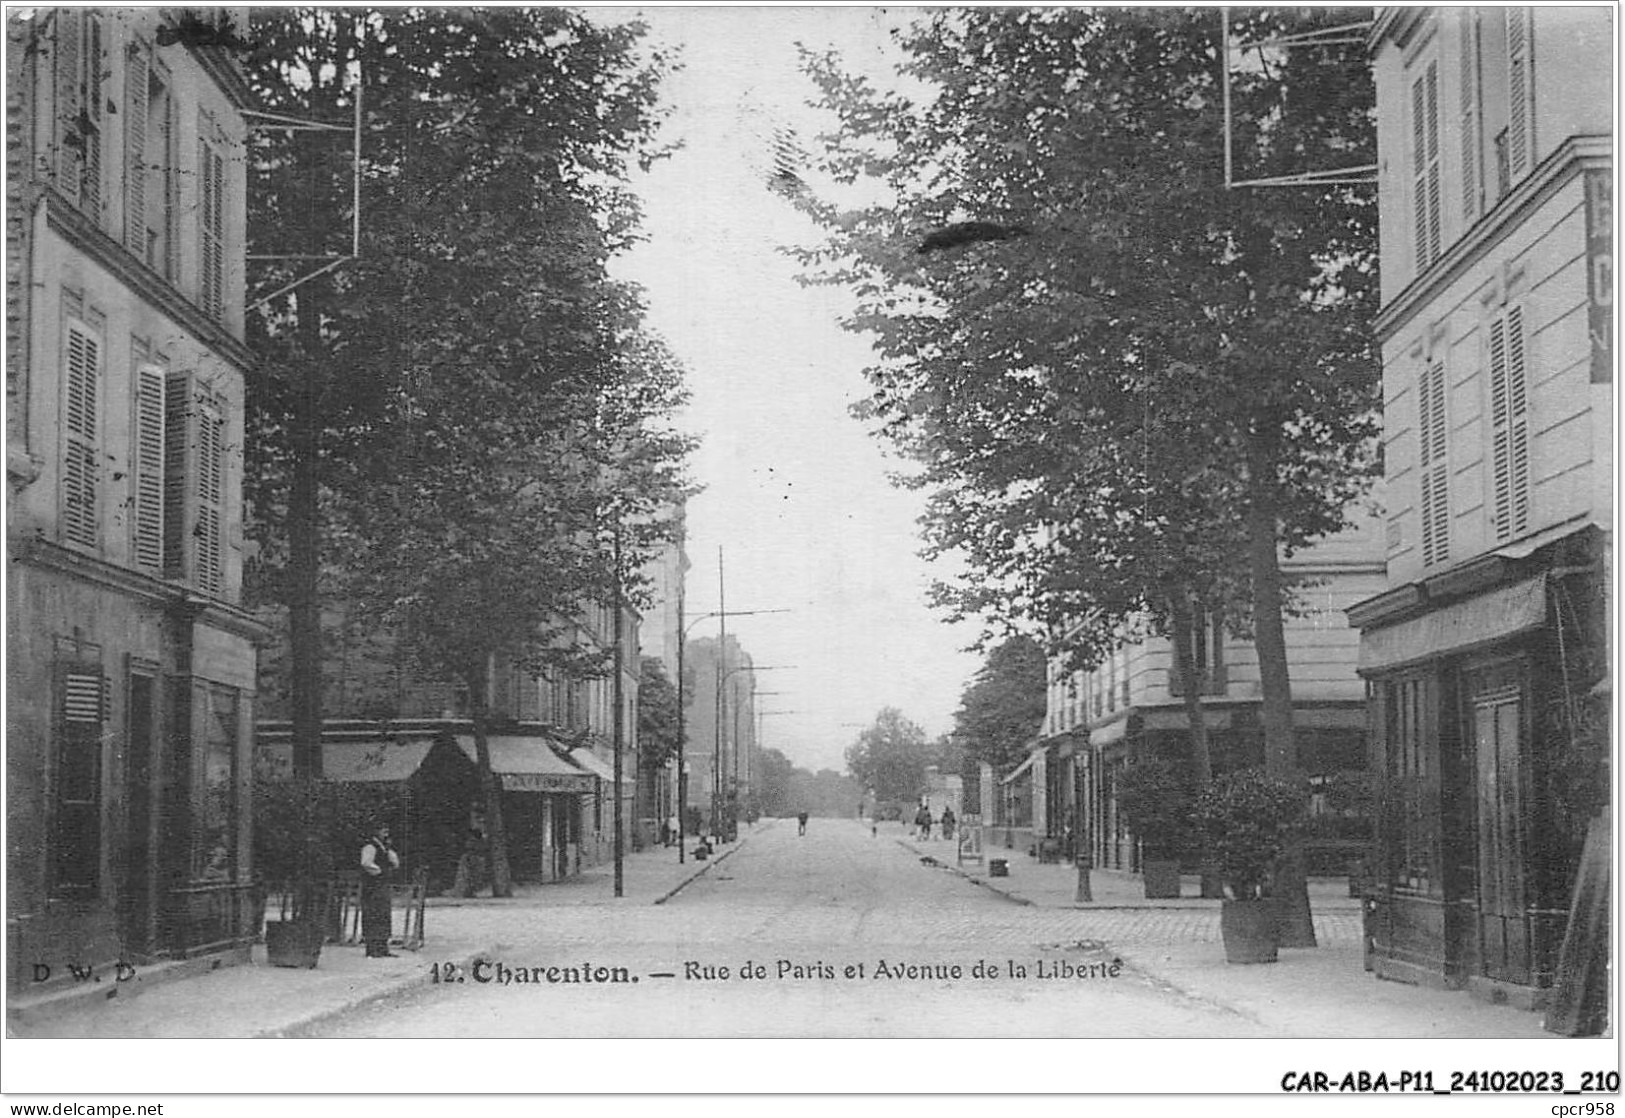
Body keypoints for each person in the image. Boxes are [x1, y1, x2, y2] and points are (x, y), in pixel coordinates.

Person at [360, 822, 401, 957]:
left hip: (382, 885)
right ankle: (372, 948)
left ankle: (382, 947)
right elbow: (366, 863)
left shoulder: (384, 848)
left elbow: (395, 862)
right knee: (373, 913)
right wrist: (380, 872)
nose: (386, 833)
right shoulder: (370, 847)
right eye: (383, 831)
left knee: (383, 914)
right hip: (372, 886)